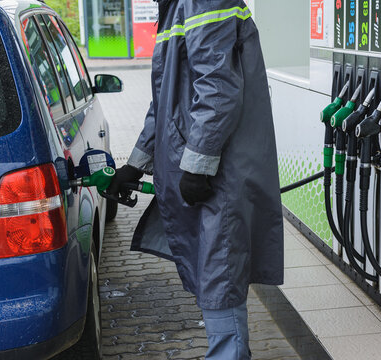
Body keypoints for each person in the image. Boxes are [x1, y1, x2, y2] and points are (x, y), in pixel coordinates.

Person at [108, 0, 284, 358]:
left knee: (219, 273)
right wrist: (137, 163)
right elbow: (166, 100)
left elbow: (218, 89)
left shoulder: (201, 1)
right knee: (213, 272)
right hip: (206, 169)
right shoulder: (178, 7)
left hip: (219, 173)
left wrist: (197, 165)